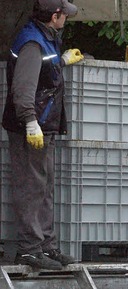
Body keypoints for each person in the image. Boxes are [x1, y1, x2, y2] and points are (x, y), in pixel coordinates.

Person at [2, 0, 84, 270]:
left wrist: (61, 60)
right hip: (32, 128)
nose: (67, 19)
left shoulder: (45, 37)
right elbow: (23, 88)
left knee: (44, 187)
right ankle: (29, 250)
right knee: (31, 188)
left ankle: (46, 247)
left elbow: (43, 74)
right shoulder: (32, 43)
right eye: (65, 15)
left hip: (44, 125)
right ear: (54, 16)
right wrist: (29, 122)